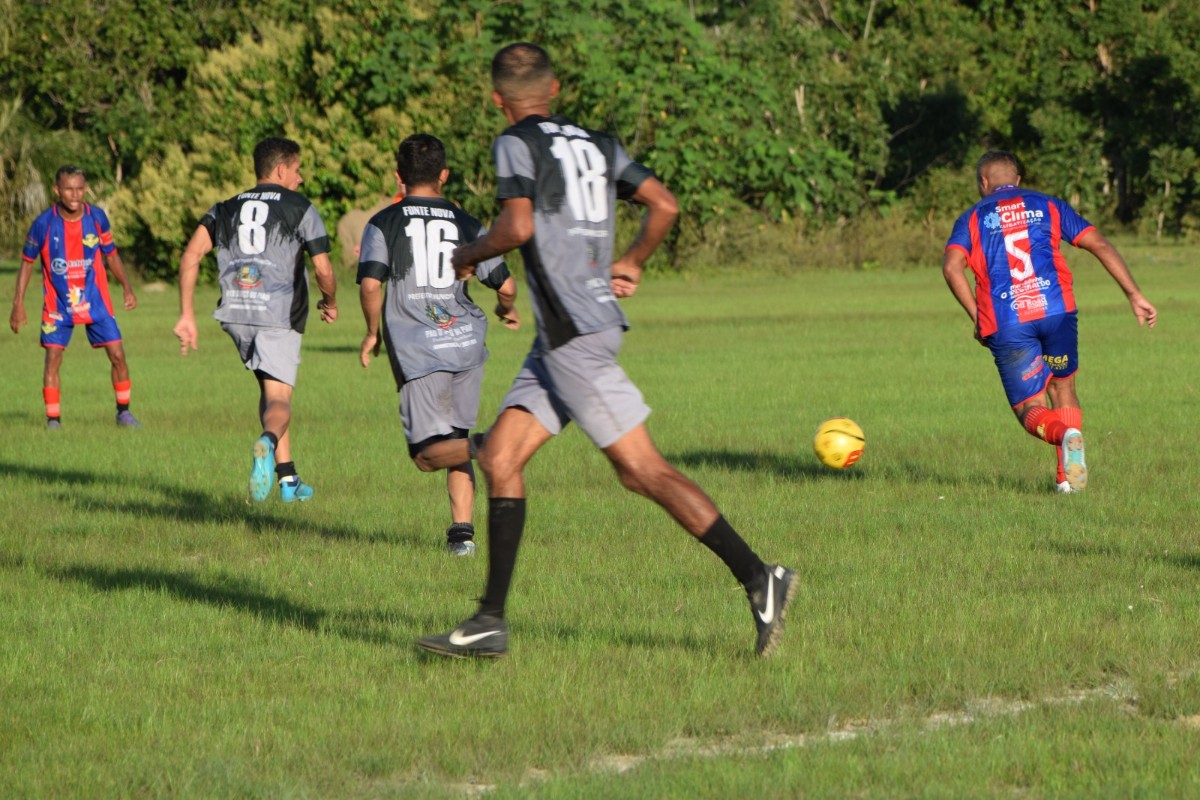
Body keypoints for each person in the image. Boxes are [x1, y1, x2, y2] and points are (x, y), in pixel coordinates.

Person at [416, 43, 797, 659]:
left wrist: (467, 255)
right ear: (555, 88)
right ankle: (489, 620)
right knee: (501, 458)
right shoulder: (598, 143)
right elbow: (664, 205)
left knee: (641, 470)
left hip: (573, 338)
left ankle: (761, 579)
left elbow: (517, 227)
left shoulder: (514, 143)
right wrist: (634, 260)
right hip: (567, 335)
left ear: (497, 99)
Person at [943, 150, 1158, 492]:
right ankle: (1066, 481)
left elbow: (952, 267)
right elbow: (1098, 243)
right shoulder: (1048, 204)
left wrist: (976, 316)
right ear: (1018, 180)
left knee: (1029, 407)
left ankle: (1064, 435)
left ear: (984, 182)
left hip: (1007, 320)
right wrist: (1134, 294)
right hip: (1057, 312)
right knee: (1063, 386)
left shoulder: (972, 217)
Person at [357, 133, 519, 556]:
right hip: (466, 343)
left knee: (427, 455)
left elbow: (372, 282)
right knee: (454, 439)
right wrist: (507, 310)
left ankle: (492, 445)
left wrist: (372, 332)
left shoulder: (383, 223)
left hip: (419, 351)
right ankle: (461, 536)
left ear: (398, 176)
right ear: (444, 175)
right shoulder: (467, 223)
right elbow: (506, 284)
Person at [173, 137, 338, 503]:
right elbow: (323, 267)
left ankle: (288, 479)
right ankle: (266, 443)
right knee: (280, 400)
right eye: (297, 170)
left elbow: (190, 255)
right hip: (277, 314)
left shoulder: (226, 206)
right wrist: (331, 301)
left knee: (268, 389)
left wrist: (186, 314)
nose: (300, 178)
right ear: (281, 169)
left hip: (235, 313)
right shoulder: (300, 207)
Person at [10, 165, 141, 429]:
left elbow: (111, 255)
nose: (75, 194)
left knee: (117, 355)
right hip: (58, 304)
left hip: (96, 300)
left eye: (80, 188)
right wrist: (18, 304)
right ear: (57, 190)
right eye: (69, 189)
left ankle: (124, 413)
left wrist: (126, 286)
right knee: (53, 358)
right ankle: (53, 420)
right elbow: (26, 262)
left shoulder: (97, 218)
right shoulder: (43, 224)